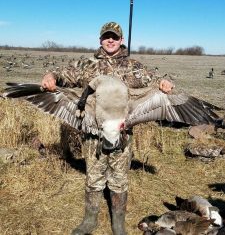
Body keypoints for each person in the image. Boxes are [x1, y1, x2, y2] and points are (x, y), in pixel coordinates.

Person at [41, 22, 173, 235]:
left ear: (121, 40)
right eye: (106, 37)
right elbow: (62, 73)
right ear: (100, 40)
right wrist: (51, 76)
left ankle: (118, 223)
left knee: (119, 178)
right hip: (93, 132)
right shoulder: (87, 65)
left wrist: (165, 81)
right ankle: (89, 220)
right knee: (93, 176)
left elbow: (156, 80)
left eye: (114, 37)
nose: (110, 40)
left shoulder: (134, 67)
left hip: (122, 134)